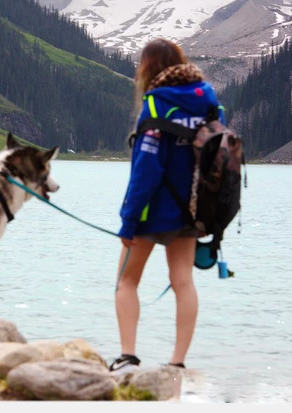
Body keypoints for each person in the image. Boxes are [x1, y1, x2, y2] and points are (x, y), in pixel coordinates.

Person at [109, 38, 225, 376]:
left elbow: (147, 168)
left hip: (152, 211)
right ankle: (177, 362)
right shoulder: (207, 100)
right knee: (183, 282)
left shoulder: (156, 103)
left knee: (126, 282)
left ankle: (128, 357)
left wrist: (128, 220)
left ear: (149, 67)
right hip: (193, 207)